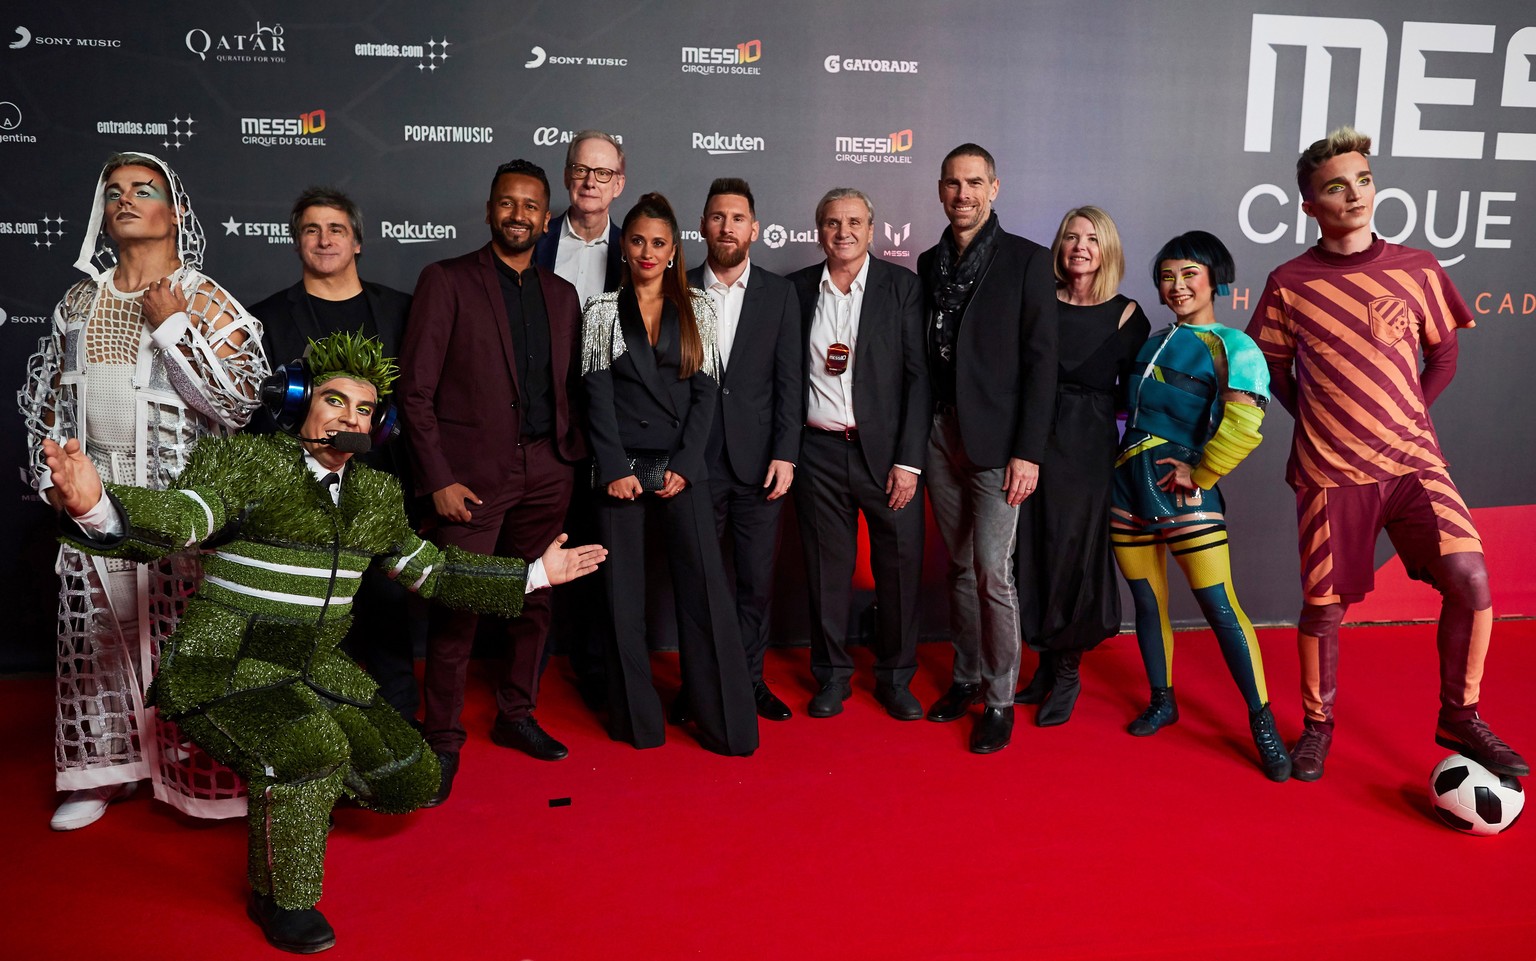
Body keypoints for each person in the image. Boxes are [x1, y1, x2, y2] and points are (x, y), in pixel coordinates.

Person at [41, 332, 605, 954]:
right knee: (307, 749)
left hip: (311, 668)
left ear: (376, 427)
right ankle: (280, 896)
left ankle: (293, 795)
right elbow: (185, 517)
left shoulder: (376, 496)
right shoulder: (251, 462)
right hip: (225, 664)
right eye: (334, 401)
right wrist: (100, 510)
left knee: (410, 778)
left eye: (362, 410)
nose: (348, 418)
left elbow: (434, 572)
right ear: (299, 404)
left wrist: (534, 574)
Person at [1246, 126, 1527, 782]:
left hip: (1412, 464)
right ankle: (1317, 726)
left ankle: (1460, 714)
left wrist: (1406, 415)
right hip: (1329, 473)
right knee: (1324, 608)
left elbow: (1445, 351)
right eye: (1335, 188)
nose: (1354, 195)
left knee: (1472, 579)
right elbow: (1276, 371)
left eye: (1363, 180)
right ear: (1310, 206)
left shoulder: (1418, 267)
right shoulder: (1288, 282)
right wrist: (1322, 423)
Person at [19, 151, 266, 830]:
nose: (126, 200)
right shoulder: (80, 299)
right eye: (115, 192)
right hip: (94, 490)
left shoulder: (203, 296)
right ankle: (102, 770)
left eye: (144, 189)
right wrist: (52, 480)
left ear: (174, 210)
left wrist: (172, 325)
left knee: (179, 637)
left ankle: (192, 767)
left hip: (177, 497)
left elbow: (238, 403)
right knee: (99, 631)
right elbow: (49, 404)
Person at [400, 160, 586, 800]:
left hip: (548, 469)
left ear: (546, 217)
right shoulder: (446, 281)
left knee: (537, 599)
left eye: (531, 206)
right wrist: (438, 480)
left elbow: (568, 389)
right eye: (507, 203)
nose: (518, 215)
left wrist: (568, 458)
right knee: (461, 604)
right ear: (489, 210)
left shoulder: (562, 296)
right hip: (471, 478)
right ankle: (443, 738)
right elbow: (415, 393)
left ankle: (516, 715)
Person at [1111, 231, 1291, 782]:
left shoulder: (1234, 345)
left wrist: (1203, 472)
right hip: (1125, 487)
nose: (1178, 284)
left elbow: (1244, 425)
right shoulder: (1150, 338)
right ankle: (1163, 700)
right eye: (1167, 275)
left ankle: (1263, 725)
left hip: (1183, 491)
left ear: (1215, 278)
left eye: (1189, 273)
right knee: (1145, 603)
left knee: (1221, 608)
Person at [582, 193, 758, 755]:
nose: (647, 252)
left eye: (659, 242)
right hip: (620, 473)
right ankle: (638, 722)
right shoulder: (600, 312)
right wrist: (612, 468)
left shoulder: (699, 308)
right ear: (624, 246)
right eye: (637, 241)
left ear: (674, 249)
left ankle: (724, 722)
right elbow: (596, 397)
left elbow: (706, 397)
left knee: (705, 593)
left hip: (684, 468)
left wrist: (686, 465)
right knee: (621, 598)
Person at [250, 186, 420, 721]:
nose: (324, 240)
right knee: (315, 624)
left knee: (390, 618)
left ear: (358, 242)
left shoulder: (400, 310)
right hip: (303, 497)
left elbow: (422, 400)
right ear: (296, 241)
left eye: (336, 229)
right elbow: (255, 415)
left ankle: (399, 737)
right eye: (311, 230)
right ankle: (323, 743)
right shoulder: (266, 319)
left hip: (383, 489)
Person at [918, 144, 1058, 753]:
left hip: (1001, 445)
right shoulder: (927, 263)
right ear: (940, 190)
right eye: (953, 184)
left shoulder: (1028, 261)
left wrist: (1029, 452)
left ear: (994, 188)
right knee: (956, 566)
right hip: (939, 435)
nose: (963, 194)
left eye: (975, 182)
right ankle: (967, 678)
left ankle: (999, 699)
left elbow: (1042, 364)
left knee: (991, 574)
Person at [788, 189, 930, 722]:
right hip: (817, 452)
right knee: (827, 573)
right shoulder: (797, 290)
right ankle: (832, 677)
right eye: (831, 222)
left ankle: (895, 678)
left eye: (854, 222)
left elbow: (920, 381)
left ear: (873, 229)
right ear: (818, 231)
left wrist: (909, 461)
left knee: (899, 569)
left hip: (889, 456)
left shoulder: (903, 289)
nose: (842, 231)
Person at [1013, 206, 1149, 726]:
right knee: (1035, 549)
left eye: (1092, 238)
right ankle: (1045, 665)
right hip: (1030, 442)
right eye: (1071, 236)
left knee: (1072, 552)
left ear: (1107, 248)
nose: (1080, 246)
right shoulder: (1037, 303)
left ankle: (1067, 670)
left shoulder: (1126, 315)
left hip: (1087, 449)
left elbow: (1135, 396)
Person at [685, 178, 803, 721]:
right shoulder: (675, 289)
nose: (727, 227)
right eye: (717, 216)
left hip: (761, 467)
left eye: (738, 218)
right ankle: (699, 686)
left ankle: (751, 682)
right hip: (694, 466)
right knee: (697, 583)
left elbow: (789, 382)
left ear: (754, 228)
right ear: (703, 225)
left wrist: (786, 452)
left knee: (755, 583)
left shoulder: (780, 295)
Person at [533, 129, 627, 706]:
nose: (590, 182)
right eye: (580, 170)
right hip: (542, 421)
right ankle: (529, 670)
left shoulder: (636, 249)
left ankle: (595, 669)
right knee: (539, 548)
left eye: (602, 172)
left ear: (619, 182)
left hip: (611, 426)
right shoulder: (536, 242)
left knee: (600, 551)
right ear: (568, 175)